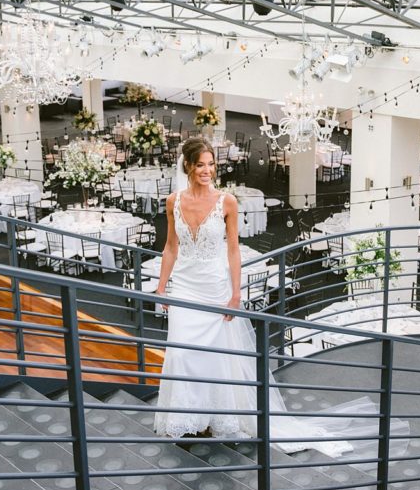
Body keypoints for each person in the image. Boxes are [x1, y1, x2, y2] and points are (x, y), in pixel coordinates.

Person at [153, 138, 407, 456]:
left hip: (216, 289)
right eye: (201, 164)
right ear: (188, 166)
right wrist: (162, 288)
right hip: (185, 288)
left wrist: (235, 294)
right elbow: (171, 247)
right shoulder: (173, 201)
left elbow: (233, 250)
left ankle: (217, 420)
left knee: (216, 358)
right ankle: (188, 419)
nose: (207, 170)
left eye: (211, 164)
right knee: (182, 356)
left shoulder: (226, 202)